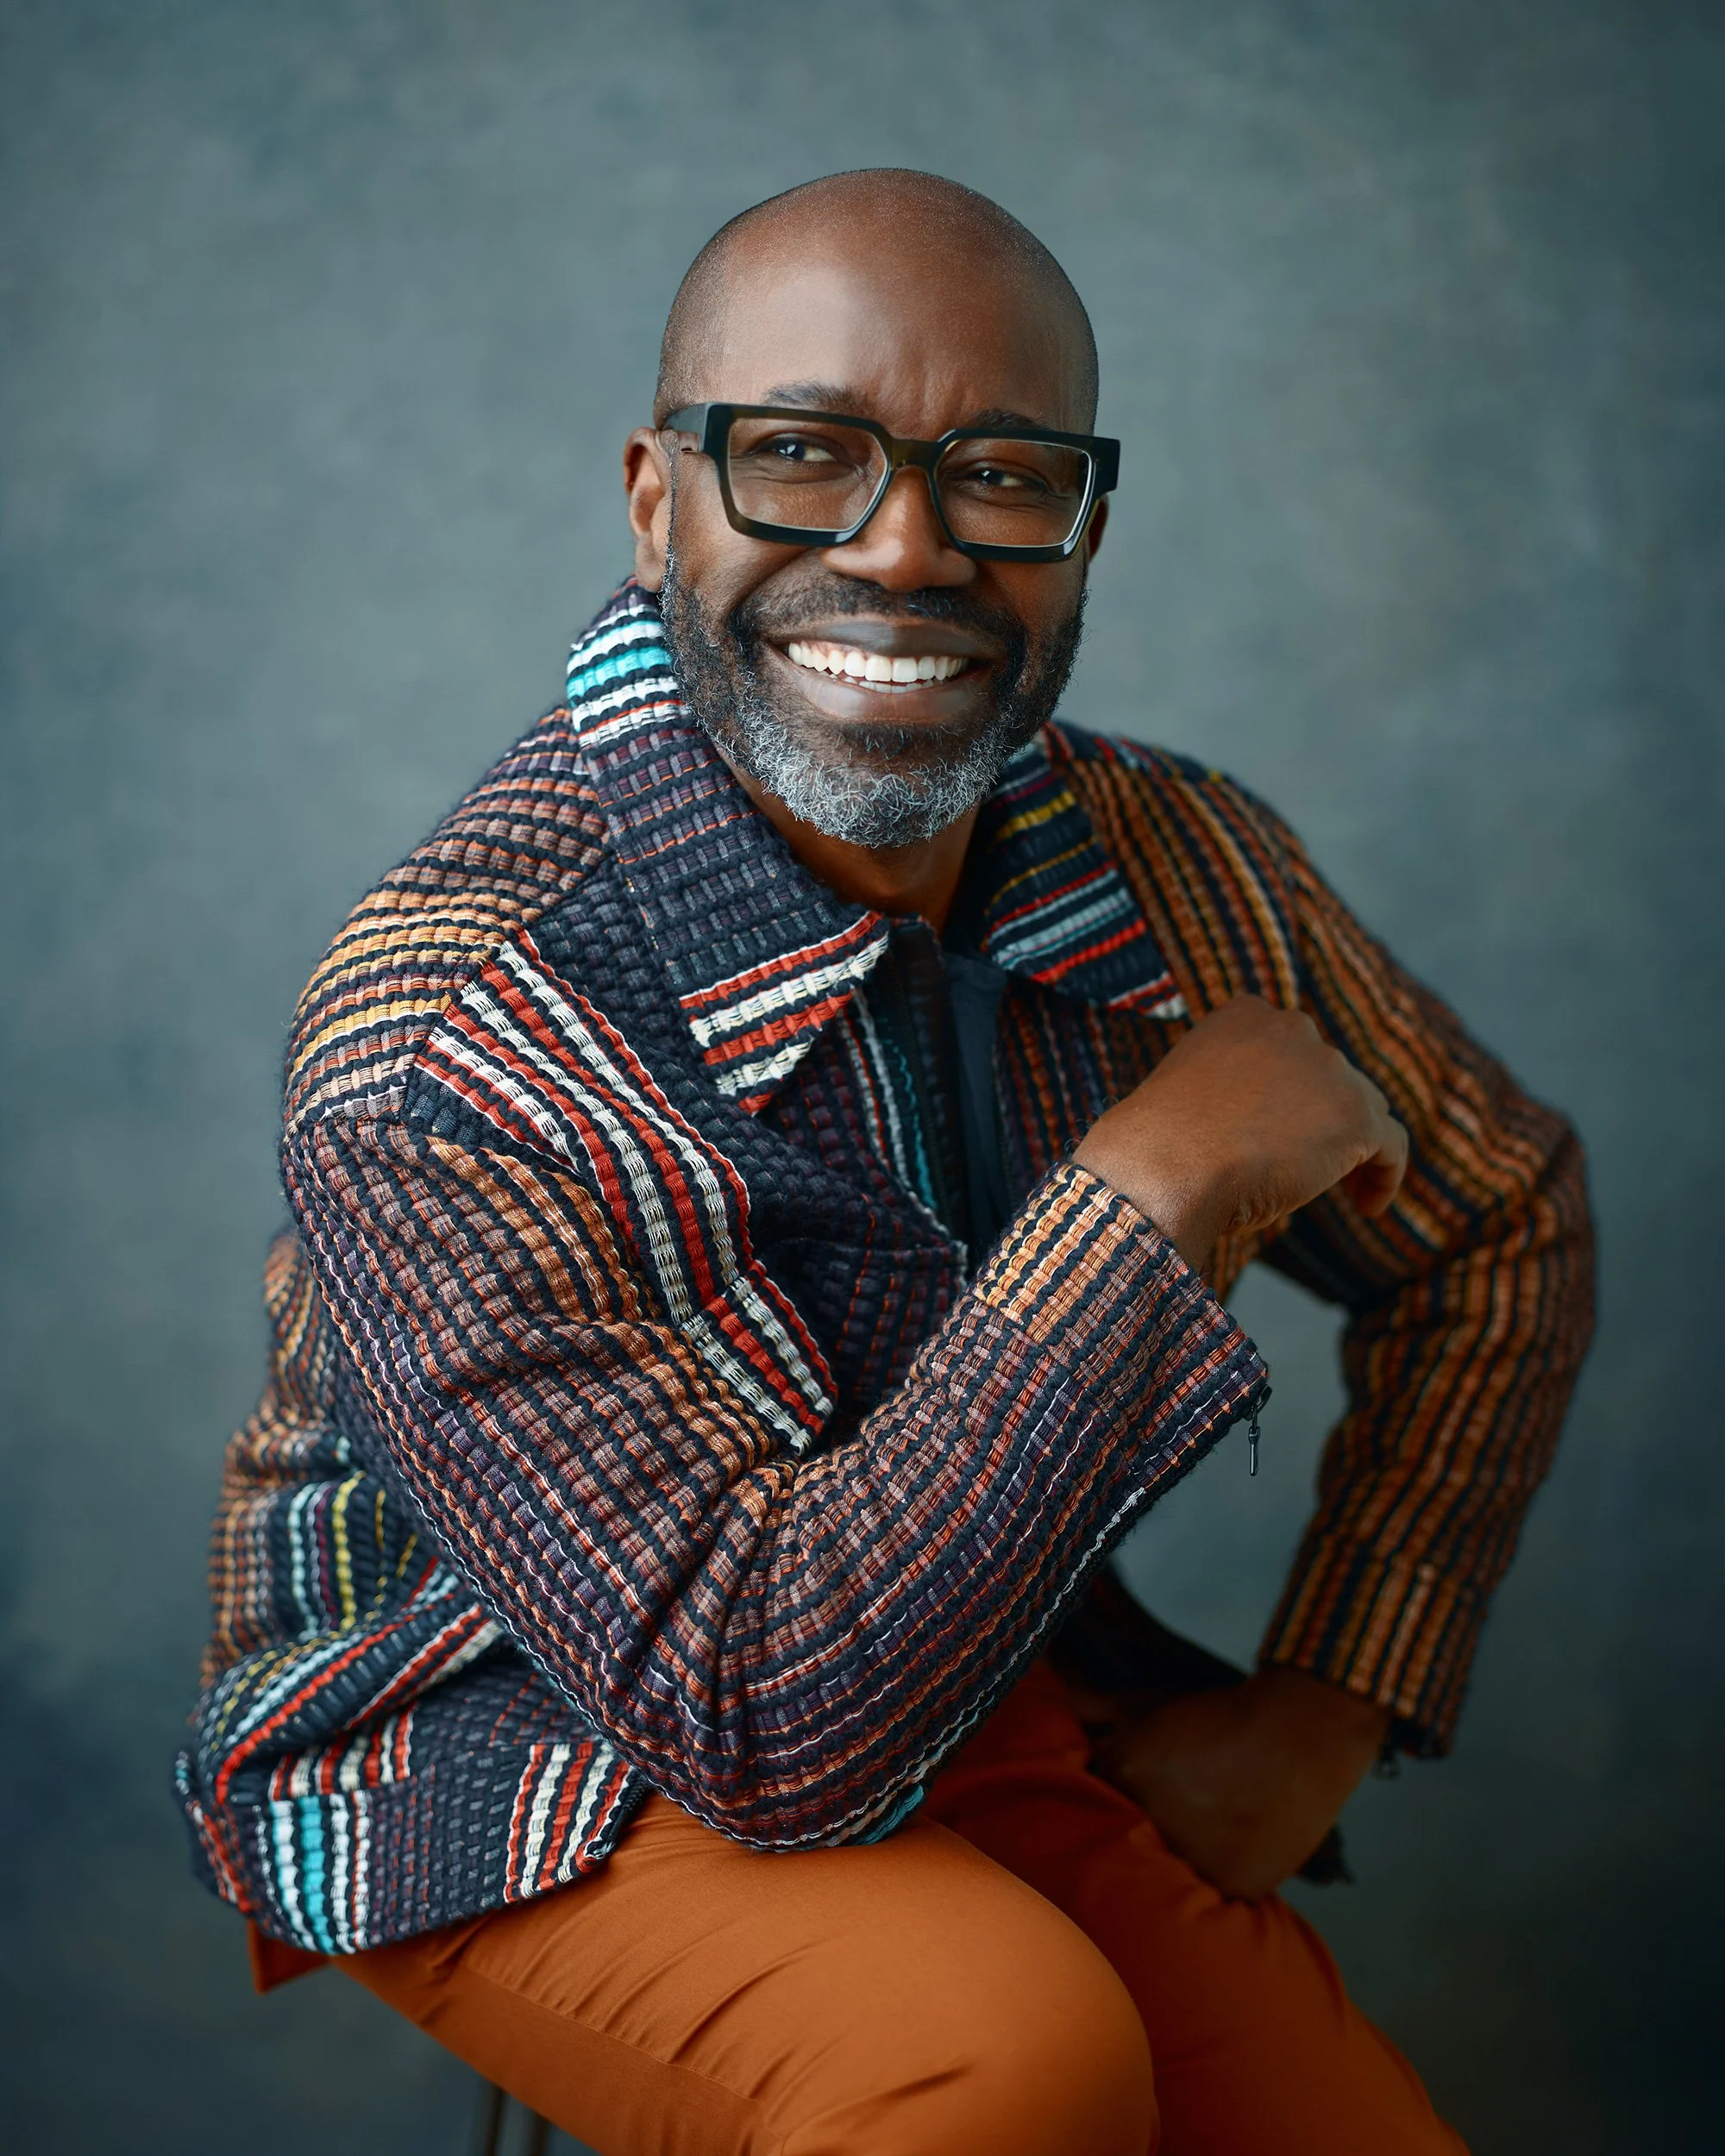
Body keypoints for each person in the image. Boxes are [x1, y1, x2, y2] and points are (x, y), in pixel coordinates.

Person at [178, 169, 1593, 2155]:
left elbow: (1497, 1219)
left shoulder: (1176, 867)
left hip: (957, 1658)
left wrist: (1330, 1697)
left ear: (1085, 525)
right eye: (801, 453)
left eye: (999, 470)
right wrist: (1155, 1188)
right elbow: (756, 1722)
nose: (907, 544)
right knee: (988, 2060)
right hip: (492, 1724)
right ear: (658, 497)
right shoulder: (445, 1030)